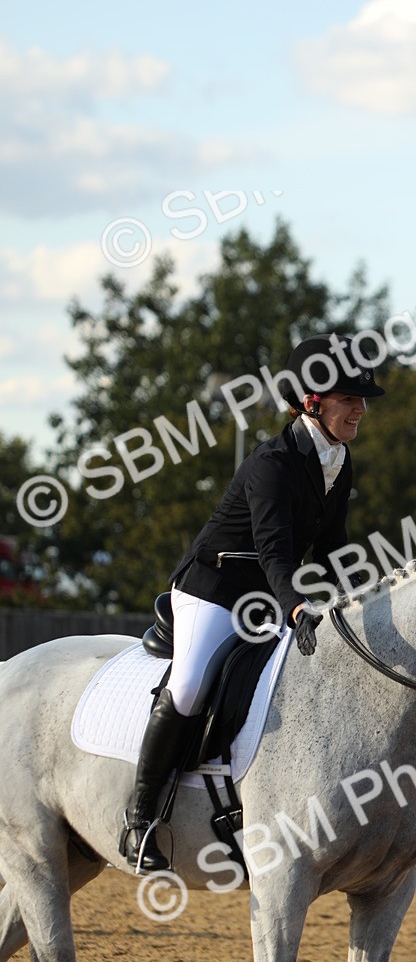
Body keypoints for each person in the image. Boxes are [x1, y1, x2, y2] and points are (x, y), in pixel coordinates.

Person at [119, 334, 385, 871]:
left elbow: (332, 548)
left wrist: (361, 600)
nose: (359, 407)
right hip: (212, 589)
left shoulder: (339, 458)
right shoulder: (273, 464)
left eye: (361, 398)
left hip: (267, 595)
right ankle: (140, 819)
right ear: (312, 400)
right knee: (191, 683)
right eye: (348, 397)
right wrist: (297, 607)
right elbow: (274, 551)